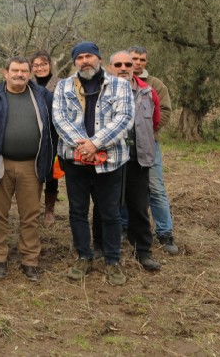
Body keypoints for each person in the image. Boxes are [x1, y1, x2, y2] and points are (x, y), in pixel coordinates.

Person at [52, 42, 134, 286]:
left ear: (98, 59)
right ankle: (84, 255)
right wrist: (82, 146)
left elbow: (124, 118)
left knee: (110, 213)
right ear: (74, 61)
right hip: (75, 161)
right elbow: (59, 118)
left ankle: (112, 259)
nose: (85, 61)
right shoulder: (64, 86)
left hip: (109, 161)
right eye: (80, 57)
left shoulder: (119, 85)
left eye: (89, 56)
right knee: (77, 211)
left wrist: (95, 144)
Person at [0, 57, 55, 282]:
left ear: (29, 73)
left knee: (30, 215)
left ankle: (30, 260)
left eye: (24, 71)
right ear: (5, 73)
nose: (19, 74)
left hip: (31, 164)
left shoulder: (43, 97)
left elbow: (53, 130)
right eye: (14, 70)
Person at [92, 51, 162, 271]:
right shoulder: (100, 91)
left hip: (138, 158)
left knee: (139, 205)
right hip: (109, 156)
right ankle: (101, 245)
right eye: (118, 64)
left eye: (128, 64)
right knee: (105, 204)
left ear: (135, 67)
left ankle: (142, 250)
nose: (124, 67)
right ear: (110, 67)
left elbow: (156, 121)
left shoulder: (147, 92)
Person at [129, 45, 179, 255]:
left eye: (142, 59)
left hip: (149, 145)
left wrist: (148, 131)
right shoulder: (117, 82)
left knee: (156, 188)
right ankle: (125, 229)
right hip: (123, 146)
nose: (137, 63)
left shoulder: (155, 84)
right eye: (134, 59)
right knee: (124, 189)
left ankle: (165, 233)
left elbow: (165, 111)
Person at [30, 50, 61, 225]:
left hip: (54, 134)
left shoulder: (60, 84)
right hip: (33, 133)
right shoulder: (28, 83)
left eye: (43, 64)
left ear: (50, 65)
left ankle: (49, 209)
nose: (40, 68)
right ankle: (32, 206)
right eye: (36, 65)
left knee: (52, 171)